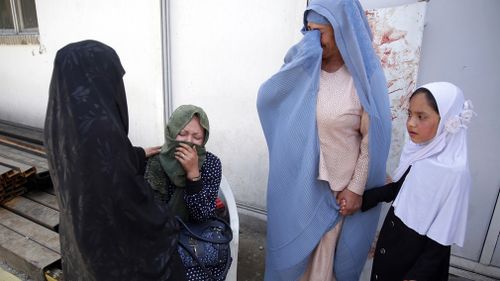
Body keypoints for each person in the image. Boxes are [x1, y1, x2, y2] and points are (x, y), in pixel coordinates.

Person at [256, 0, 391, 280]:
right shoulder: (304, 70)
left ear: (342, 31)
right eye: (307, 30)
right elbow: (274, 102)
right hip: (298, 196)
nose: (311, 39)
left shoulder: (361, 82)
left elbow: (372, 142)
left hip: (334, 201)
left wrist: (355, 189)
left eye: (319, 31)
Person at [44, 40, 185, 281]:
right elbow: (128, 201)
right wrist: (166, 218)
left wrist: (137, 155)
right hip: (109, 253)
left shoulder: (59, 124)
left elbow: (93, 169)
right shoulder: (101, 130)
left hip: (77, 236)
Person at [361, 82, 475, 281]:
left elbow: (441, 237)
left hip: (413, 261)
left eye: (421, 116)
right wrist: (362, 199)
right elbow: (400, 189)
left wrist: (416, 276)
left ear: (447, 119)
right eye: (409, 114)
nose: (411, 123)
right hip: (392, 247)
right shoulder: (421, 152)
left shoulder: (454, 174)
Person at [144, 104, 226, 280]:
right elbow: (145, 209)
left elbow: (203, 215)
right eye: (182, 134)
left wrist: (193, 175)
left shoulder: (211, 164)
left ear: (204, 139)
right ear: (171, 132)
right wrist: (134, 157)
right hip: (158, 234)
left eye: (196, 137)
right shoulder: (155, 161)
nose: (188, 141)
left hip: (194, 236)